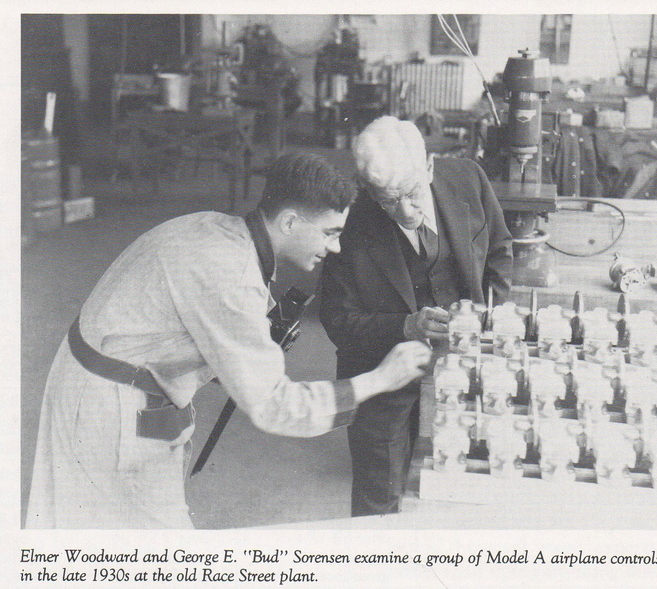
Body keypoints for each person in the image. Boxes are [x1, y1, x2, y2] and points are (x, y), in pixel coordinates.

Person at [26, 152, 432, 529]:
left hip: (98, 376)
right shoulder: (230, 275)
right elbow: (275, 407)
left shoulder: (216, 226)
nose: (336, 247)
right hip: (107, 404)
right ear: (289, 222)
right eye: (329, 233)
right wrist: (378, 379)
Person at [320, 116, 513, 516]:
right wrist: (405, 326)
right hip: (380, 366)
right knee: (380, 493)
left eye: (411, 194)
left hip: (466, 358)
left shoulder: (468, 180)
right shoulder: (348, 221)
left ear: (429, 167)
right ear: (367, 188)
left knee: (470, 476)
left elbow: (498, 252)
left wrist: (487, 318)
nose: (405, 211)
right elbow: (337, 318)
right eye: (388, 200)